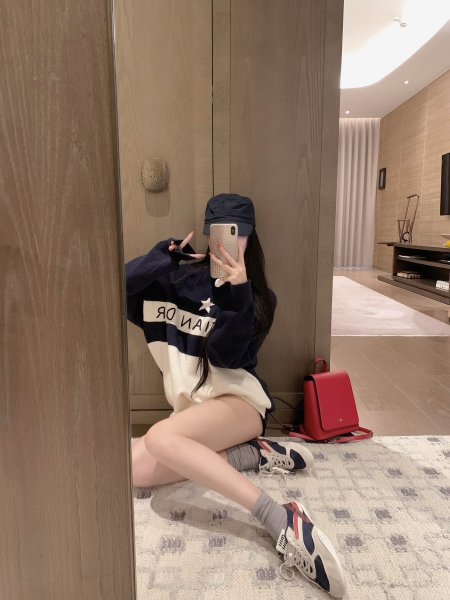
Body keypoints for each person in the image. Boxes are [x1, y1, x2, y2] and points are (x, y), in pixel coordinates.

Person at [125, 193, 346, 598]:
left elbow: (224, 357)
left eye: (238, 234)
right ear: (208, 234)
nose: (229, 242)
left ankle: (281, 518)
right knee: (135, 469)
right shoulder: (172, 282)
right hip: (193, 413)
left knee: (158, 438)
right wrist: (162, 259)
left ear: (250, 237)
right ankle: (250, 455)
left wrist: (239, 292)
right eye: (221, 233)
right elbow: (114, 290)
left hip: (238, 403)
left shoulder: (257, 297)